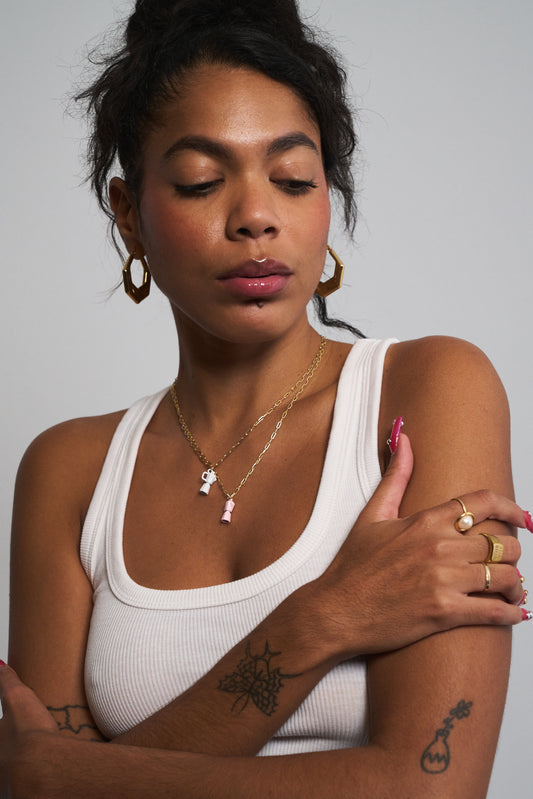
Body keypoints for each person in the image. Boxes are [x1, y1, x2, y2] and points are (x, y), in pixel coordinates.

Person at [1, 0, 531, 796]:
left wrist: (68, 773)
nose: (255, 216)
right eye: (200, 181)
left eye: (292, 179)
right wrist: (324, 617)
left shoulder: (425, 391)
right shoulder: (69, 470)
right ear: (128, 216)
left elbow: (430, 786)